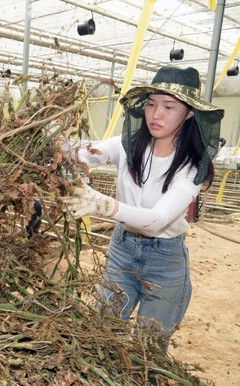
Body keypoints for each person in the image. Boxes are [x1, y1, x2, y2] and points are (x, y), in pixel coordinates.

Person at [63, 66, 224, 351]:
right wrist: (53, 148)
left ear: (189, 113)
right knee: (102, 338)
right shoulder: (126, 146)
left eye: (168, 106)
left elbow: (159, 218)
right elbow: (80, 157)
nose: (156, 114)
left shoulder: (191, 167)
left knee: (147, 352)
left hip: (165, 263)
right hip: (121, 252)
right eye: (150, 103)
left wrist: (104, 205)